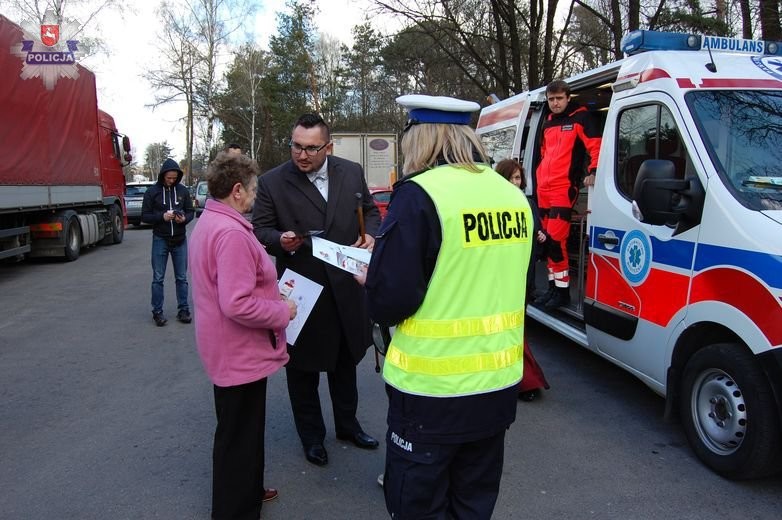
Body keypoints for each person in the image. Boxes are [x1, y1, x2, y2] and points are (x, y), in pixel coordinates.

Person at [360, 95, 533, 519]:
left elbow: (388, 302)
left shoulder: (419, 195)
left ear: (421, 139)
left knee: (417, 505)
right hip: (497, 386)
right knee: (473, 504)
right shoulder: (511, 196)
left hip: (431, 393)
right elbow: (521, 288)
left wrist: (370, 278)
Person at [252, 113, 381, 467]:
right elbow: (259, 229)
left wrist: (371, 234)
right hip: (301, 291)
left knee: (345, 362)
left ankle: (348, 425)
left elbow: (370, 211)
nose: (302, 155)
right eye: (296, 146)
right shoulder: (272, 182)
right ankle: (312, 437)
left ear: (328, 147)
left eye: (311, 148)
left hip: (346, 286)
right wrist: (280, 240)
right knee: (303, 370)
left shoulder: (350, 171)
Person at [189, 152, 297, 520]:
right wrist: (282, 311)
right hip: (238, 352)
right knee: (238, 437)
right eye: (251, 189)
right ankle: (235, 509)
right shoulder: (231, 232)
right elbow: (236, 302)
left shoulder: (212, 221)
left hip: (229, 348)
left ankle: (248, 490)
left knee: (242, 431)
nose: (254, 196)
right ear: (236, 190)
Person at [534, 79, 602, 310]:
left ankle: (563, 293)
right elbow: (544, 154)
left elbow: (596, 146)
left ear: (568, 98)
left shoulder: (581, 118)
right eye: (551, 99)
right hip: (543, 187)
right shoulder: (548, 122)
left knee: (555, 240)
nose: (554, 103)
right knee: (544, 240)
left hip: (563, 187)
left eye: (559, 98)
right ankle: (553, 288)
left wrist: (593, 172)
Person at [494, 159, 551, 402]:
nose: (515, 182)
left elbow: (541, 236)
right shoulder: (493, 204)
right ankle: (520, 379)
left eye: (518, 178)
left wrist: (541, 236)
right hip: (501, 276)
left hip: (523, 276)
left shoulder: (528, 203)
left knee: (516, 328)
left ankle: (517, 377)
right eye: (511, 178)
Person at [141, 158, 195, 326]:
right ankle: (157, 312)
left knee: (182, 277)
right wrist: (161, 217)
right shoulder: (152, 192)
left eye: (174, 178)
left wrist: (184, 219)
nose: (171, 180)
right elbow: (145, 216)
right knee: (158, 278)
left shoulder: (183, 191)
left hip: (179, 239)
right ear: (163, 175)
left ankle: (183, 310)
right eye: (168, 177)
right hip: (160, 239)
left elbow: (191, 211)